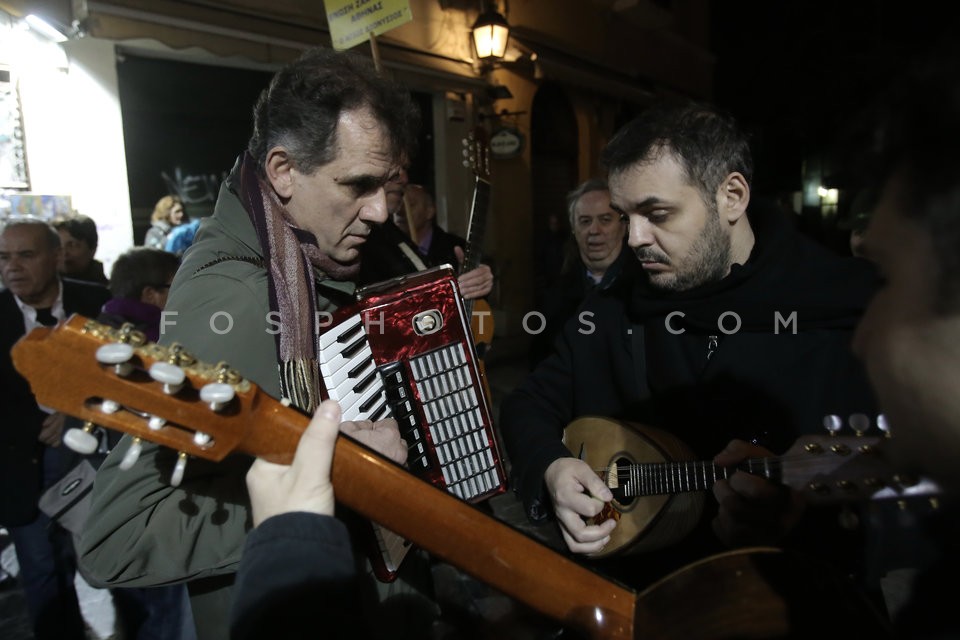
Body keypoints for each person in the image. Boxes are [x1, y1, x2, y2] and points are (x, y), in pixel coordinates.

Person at [77, 47, 419, 640]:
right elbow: (120, 536)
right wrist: (335, 487)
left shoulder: (325, 252)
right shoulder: (232, 298)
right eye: (358, 185)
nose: (382, 211)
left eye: (387, 186)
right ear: (283, 171)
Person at [499, 102, 882, 595]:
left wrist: (797, 528)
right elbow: (529, 403)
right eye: (625, 216)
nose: (634, 239)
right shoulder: (614, 306)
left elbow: (885, 507)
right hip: (644, 595)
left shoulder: (845, 313)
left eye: (656, 213)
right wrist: (551, 468)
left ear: (731, 196)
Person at [0, 217, 110, 639]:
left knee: (115, 567)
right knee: (43, 576)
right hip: (23, 469)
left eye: (25, 255)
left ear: (56, 256)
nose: (13, 267)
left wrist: (77, 409)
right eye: (5, 257)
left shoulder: (98, 303)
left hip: (97, 457)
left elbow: (129, 375)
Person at [527, 179, 634, 368]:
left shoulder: (648, 289)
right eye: (585, 221)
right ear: (574, 230)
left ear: (624, 226)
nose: (594, 230)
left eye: (605, 220)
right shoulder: (555, 297)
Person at [360, 177, 493, 302]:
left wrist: (475, 281)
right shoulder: (379, 245)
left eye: (411, 205)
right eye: (399, 205)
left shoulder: (456, 247)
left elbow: (477, 304)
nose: (400, 212)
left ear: (430, 211)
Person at [52, 213, 109, 284]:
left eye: (72, 245)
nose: (64, 253)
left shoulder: (108, 292)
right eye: (58, 245)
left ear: (93, 248)